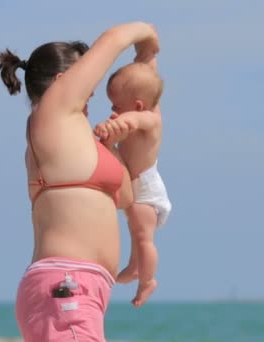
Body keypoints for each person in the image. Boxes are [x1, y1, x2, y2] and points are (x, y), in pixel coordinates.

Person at [0, 22, 159, 342]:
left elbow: (126, 197)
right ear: (63, 82)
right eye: (88, 89)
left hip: (82, 290)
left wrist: (115, 144)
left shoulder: (78, 137)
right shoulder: (51, 114)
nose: (91, 98)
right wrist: (148, 41)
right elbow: (115, 38)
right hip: (66, 286)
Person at [94, 58, 171, 308]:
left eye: (116, 105)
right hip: (136, 186)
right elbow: (149, 73)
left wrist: (119, 123)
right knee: (135, 232)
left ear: (138, 105)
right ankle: (135, 266)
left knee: (143, 236)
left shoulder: (149, 120)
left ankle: (147, 280)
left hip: (147, 190)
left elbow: (136, 121)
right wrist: (146, 55)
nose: (112, 111)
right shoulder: (138, 113)